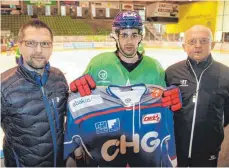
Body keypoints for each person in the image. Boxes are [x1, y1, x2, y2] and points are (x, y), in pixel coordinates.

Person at [66, 10, 182, 166]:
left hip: (144, 144)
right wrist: (76, 92)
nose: (129, 41)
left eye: (134, 35)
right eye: (124, 35)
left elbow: (164, 104)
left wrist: (172, 98)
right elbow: (83, 103)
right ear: (116, 36)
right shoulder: (98, 63)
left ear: (141, 37)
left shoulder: (154, 67)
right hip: (106, 144)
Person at [1, 20, 69, 167]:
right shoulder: (3, 86)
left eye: (45, 44)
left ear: (51, 47)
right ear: (19, 45)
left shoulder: (59, 78)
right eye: (31, 43)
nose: (38, 50)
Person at [165, 25, 229, 167]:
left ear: (212, 44)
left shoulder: (226, 74)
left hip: (208, 147)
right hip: (176, 145)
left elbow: (227, 115)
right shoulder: (171, 72)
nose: (198, 46)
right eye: (192, 41)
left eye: (204, 41)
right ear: (184, 46)